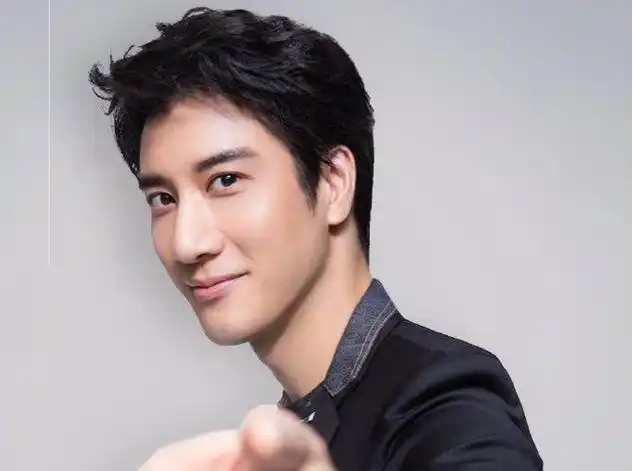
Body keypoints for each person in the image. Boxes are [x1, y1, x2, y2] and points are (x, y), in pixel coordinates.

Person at [89, 7, 543, 470]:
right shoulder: (297, 428)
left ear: (333, 182)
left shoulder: (444, 399)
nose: (187, 243)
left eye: (225, 180)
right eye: (163, 198)